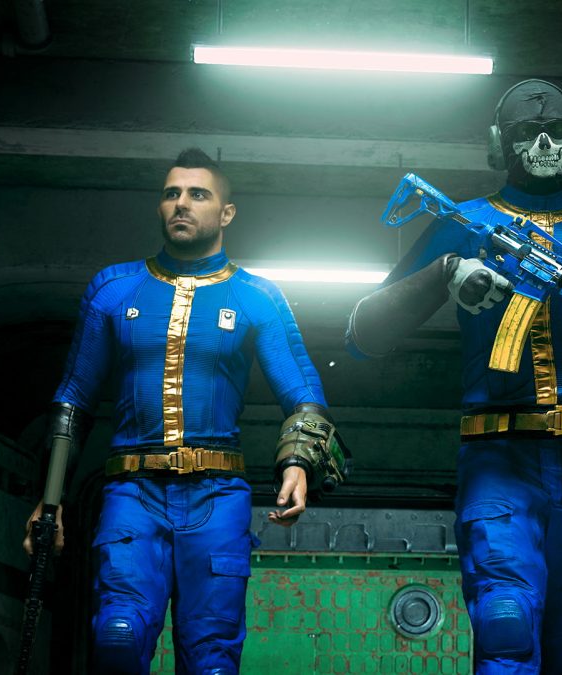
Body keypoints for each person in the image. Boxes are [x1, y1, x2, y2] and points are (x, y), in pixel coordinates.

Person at [345, 79, 562, 674]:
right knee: (506, 626)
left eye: (556, 130)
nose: (544, 142)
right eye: (527, 132)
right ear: (501, 143)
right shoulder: (468, 222)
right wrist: (446, 271)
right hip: (498, 456)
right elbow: (365, 334)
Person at [23, 148, 344, 674]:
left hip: (218, 498)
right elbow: (73, 399)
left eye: (198, 194)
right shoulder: (112, 289)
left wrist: (298, 464)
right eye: (172, 193)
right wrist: (50, 500)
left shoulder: (257, 296)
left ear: (226, 212)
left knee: (212, 661)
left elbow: (303, 393)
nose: (182, 203)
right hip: (132, 493)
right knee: (117, 639)